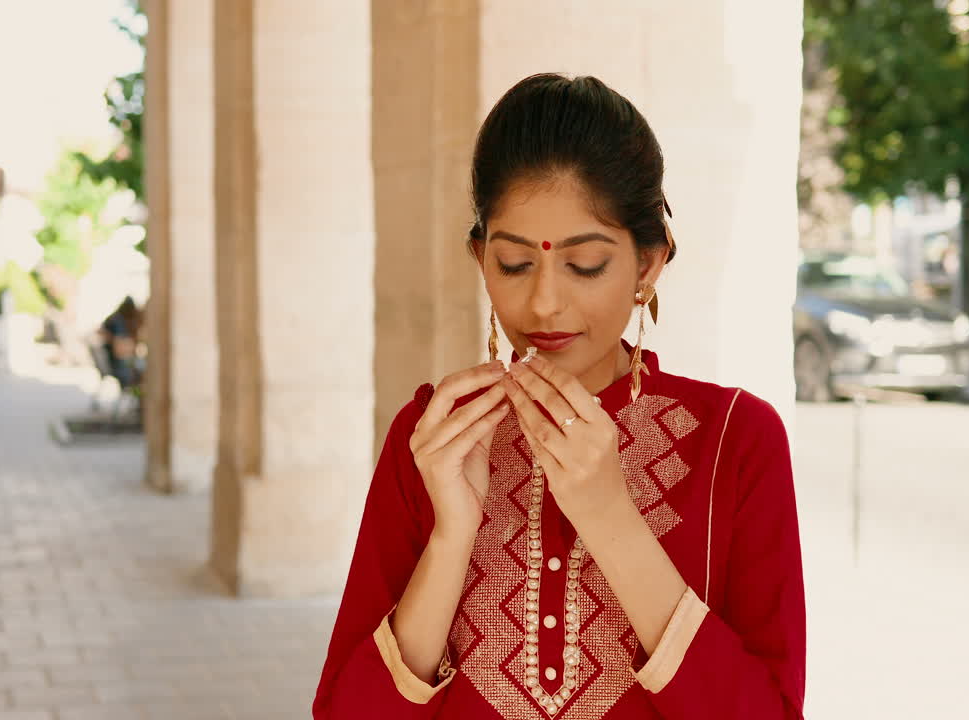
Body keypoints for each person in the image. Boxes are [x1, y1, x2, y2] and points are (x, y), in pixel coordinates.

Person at [313, 73, 805, 719]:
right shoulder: (436, 433)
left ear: (649, 264)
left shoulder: (736, 438)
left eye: (586, 264)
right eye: (514, 265)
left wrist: (607, 515)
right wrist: (451, 534)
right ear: (479, 257)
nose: (543, 303)